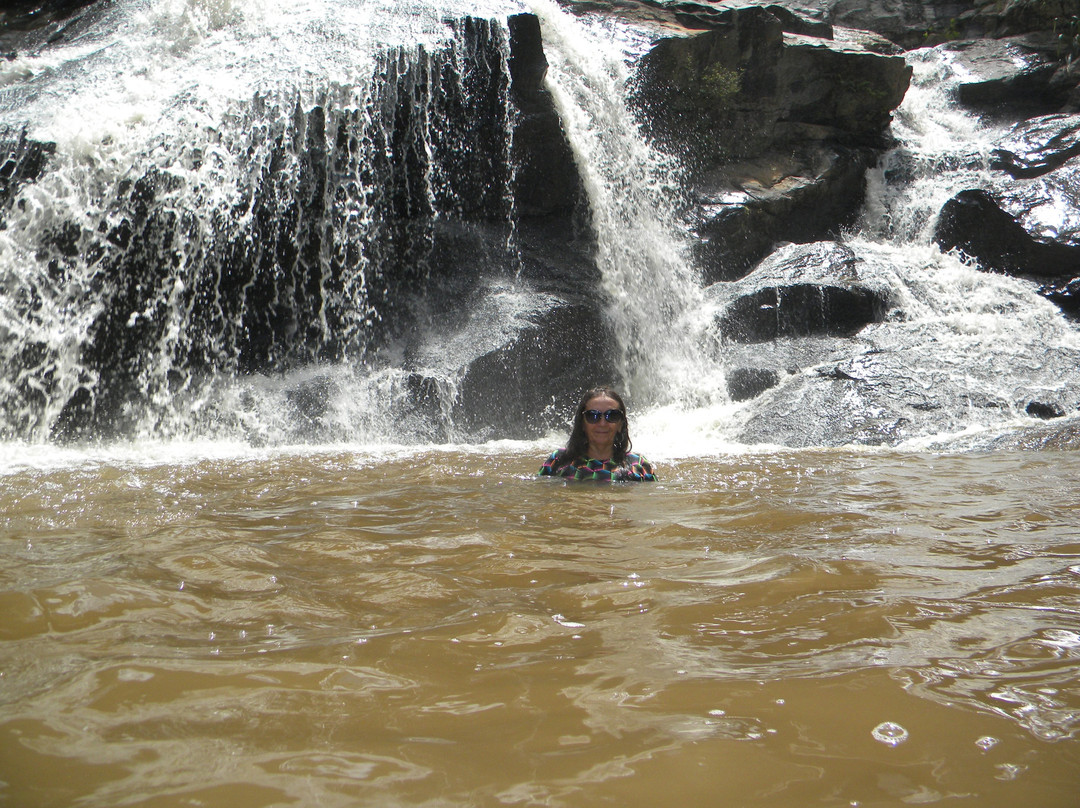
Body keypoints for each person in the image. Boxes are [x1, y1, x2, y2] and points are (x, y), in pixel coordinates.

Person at [538, 386, 656, 481]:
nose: (602, 423)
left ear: (621, 424)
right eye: (593, 416)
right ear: (582, 424)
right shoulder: (559, 461)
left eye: (612, 415)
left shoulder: (638, 465)